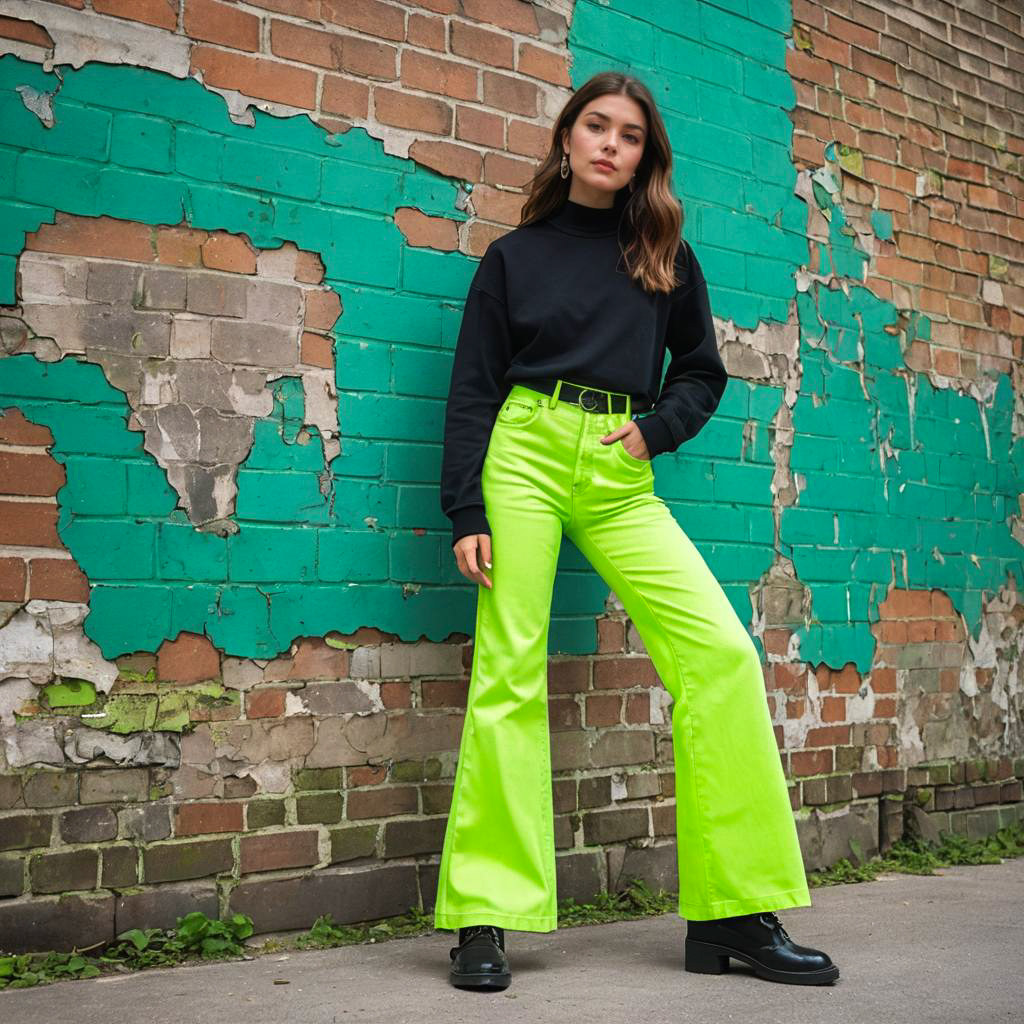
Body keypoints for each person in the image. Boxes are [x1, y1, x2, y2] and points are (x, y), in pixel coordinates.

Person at [435, 70, 840, 991]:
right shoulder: (512, 259)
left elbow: (701, 373)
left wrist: (652, 433)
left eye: (629, 133)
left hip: (619, 467)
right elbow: (473, 390)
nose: (611, 143)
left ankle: (733, 916)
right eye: (595, 126)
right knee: (509, 668)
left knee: (723, 657)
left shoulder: (665, 255)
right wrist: (466, 506)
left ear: (644, 155)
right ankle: (484, 916)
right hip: (526, 452)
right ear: (568, 139)